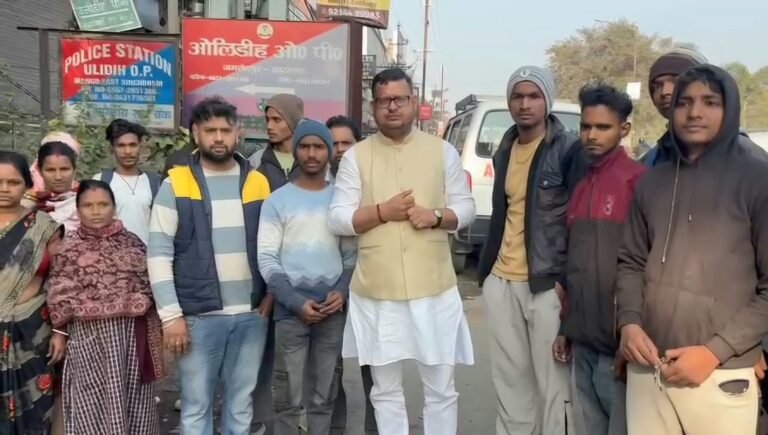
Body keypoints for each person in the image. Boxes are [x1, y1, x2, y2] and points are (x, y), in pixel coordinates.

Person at [617, 65, 768, 435]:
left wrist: (715, 351)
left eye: (710, 102)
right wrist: (628, 324)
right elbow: (630, 262)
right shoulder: (651, 181)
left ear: (729, 109)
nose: (694, 112)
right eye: (684, 103)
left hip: (721, 374)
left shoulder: (757, 180)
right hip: (649, 368)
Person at [329, 68, 476, 435]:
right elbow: (338, 218)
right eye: (384, 101)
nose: (392, 107)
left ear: (413, 102)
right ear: (373, 107)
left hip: (434, 290)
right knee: (385, 391)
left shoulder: (442, 152)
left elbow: (466, 208)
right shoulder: (356, 157)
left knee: (441, 389)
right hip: (377, 293)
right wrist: (382, 211)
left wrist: (436, 216)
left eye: (399, 99)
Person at [147, 96, 273, 434]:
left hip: (250, 316)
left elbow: (273, 246)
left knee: (240, 405)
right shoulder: (176, 183)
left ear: (238, 132)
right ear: (195, 133)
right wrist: (171, 317)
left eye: (225, 130)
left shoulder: (258, 182)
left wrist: (270, 296)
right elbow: (158, 253)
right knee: (195, 406)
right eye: (210, 130)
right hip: (198, 318)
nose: (218, 138)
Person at [476, 65, 582, 435]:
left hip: (546, 284)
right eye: (517, 96)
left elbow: (578, 223)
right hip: (502, 280)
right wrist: (488, 274)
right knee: (510, 383)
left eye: (534, 96)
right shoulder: (505, 148)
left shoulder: (569, 150)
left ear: (547, 100)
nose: (525, 104)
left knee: (554, 386)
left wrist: (565, 283)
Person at [552, 84, 645, 435]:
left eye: (603, 127)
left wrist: (631, 338)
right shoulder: (581, 187)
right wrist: (566, 329)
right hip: (583, 342)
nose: (591, 135)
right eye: (586, 126)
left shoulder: (639, 183)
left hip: (619, 346)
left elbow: (647, 269)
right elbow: (575, 267)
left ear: (624, 129)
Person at [258, 119, 355, 435]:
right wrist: (295, 302)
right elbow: (267, 259)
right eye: (304, 146)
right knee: (287, 399)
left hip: (332, 313)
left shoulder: (341, 201)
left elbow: (351, 258)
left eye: (319, 147)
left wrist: (341, 291)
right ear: (296, 150)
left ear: (329, 152)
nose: (312, 154)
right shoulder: (277, 201)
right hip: (290, 314)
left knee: (324, 396)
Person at [45, 180, 164, 434]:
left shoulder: (132, 243)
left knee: (134, 398)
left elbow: (150, 284)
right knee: (92, 400)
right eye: (88, 205)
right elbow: (59, 293)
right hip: (89, 340)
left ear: (114, 207)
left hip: (131, 338)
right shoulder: (69, 248)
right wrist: (59, 333)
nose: (96, 211)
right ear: (78, 209)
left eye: (103, 204)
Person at [0, 151, 64, 435]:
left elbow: (61, 281)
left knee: (36, 412)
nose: (5, 189)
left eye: (13, 182)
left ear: (27, 184)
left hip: (33, 334)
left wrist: (61, 331)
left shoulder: (43, 227)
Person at [325, 115, 378, 435]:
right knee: (331, 367)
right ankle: (336, 427)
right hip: (330, 289)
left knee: (374, 368)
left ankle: (375, 428)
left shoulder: (373, 180)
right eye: (333, 143)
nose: (340, 150)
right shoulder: (316, 184)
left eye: (347, 142)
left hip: (370, 284)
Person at [92, 119, 160, 244]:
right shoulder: (100, 181)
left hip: (146, 253)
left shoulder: (155, 183)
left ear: (140, 146)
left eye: (132, 145)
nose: (128, 151)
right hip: (110, 253)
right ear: (112, 149)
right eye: (121, 146)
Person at [23, 139, 81, 232]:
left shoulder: (88, 203)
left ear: (74, 170)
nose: (58, 177)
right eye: (50, 170)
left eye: (64, 169)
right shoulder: (26, 207)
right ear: (39, 171)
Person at [249, 93, 304, 189]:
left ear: (293, 122)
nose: (269, 126)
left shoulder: (311, 159)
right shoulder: (256, 161)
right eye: (268, 119)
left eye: (276, 120)